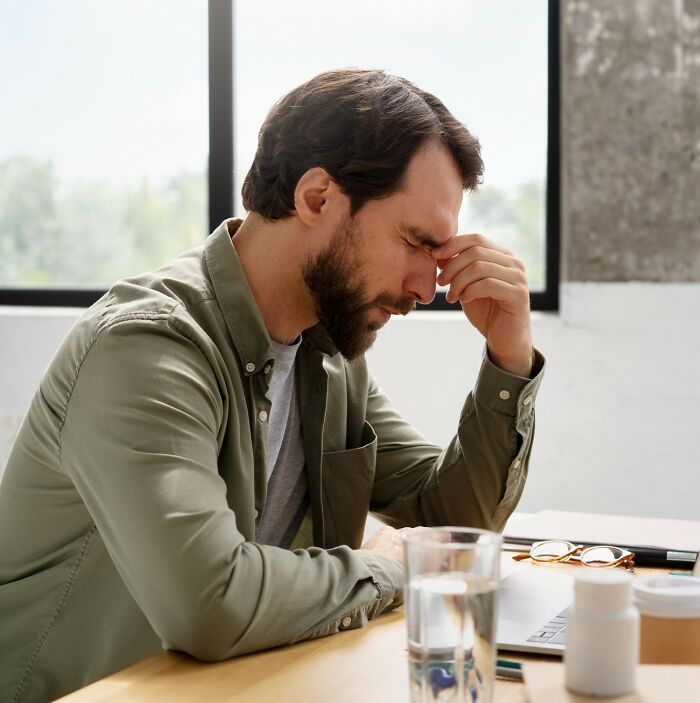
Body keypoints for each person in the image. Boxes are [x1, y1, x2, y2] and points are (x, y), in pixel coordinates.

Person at [0, 68, 544, 702]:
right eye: (416, 243)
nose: (428, 288)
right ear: (316, 198)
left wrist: (509, 357)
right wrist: (387, 568)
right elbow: (210, 601)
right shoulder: (145, 348)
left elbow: (451, 525)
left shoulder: (329, 353)